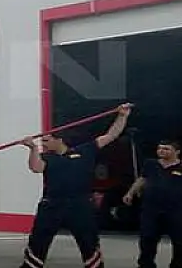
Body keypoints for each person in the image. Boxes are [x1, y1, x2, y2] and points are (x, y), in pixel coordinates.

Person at [18, 103, 133, 268]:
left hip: (81, 204)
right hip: (52, 204)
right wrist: (33, 148)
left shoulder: (86, 150)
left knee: (89, 241)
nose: (44, 144)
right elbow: (36, 168)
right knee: (38, 240)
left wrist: (122, 116)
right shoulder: (47, 157)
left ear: (59, 140)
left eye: (46, 140)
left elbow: (111, 135)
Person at [123, 139, 182, 268]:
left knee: (179, 242)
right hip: (151, 209)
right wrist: (130, 193)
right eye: (159, 148)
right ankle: (146, 265)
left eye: (166, 149)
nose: (161, 151)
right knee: (147, 238)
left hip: (178, 210)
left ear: (177, 152)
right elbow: (142, 179)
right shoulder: (150, 164)